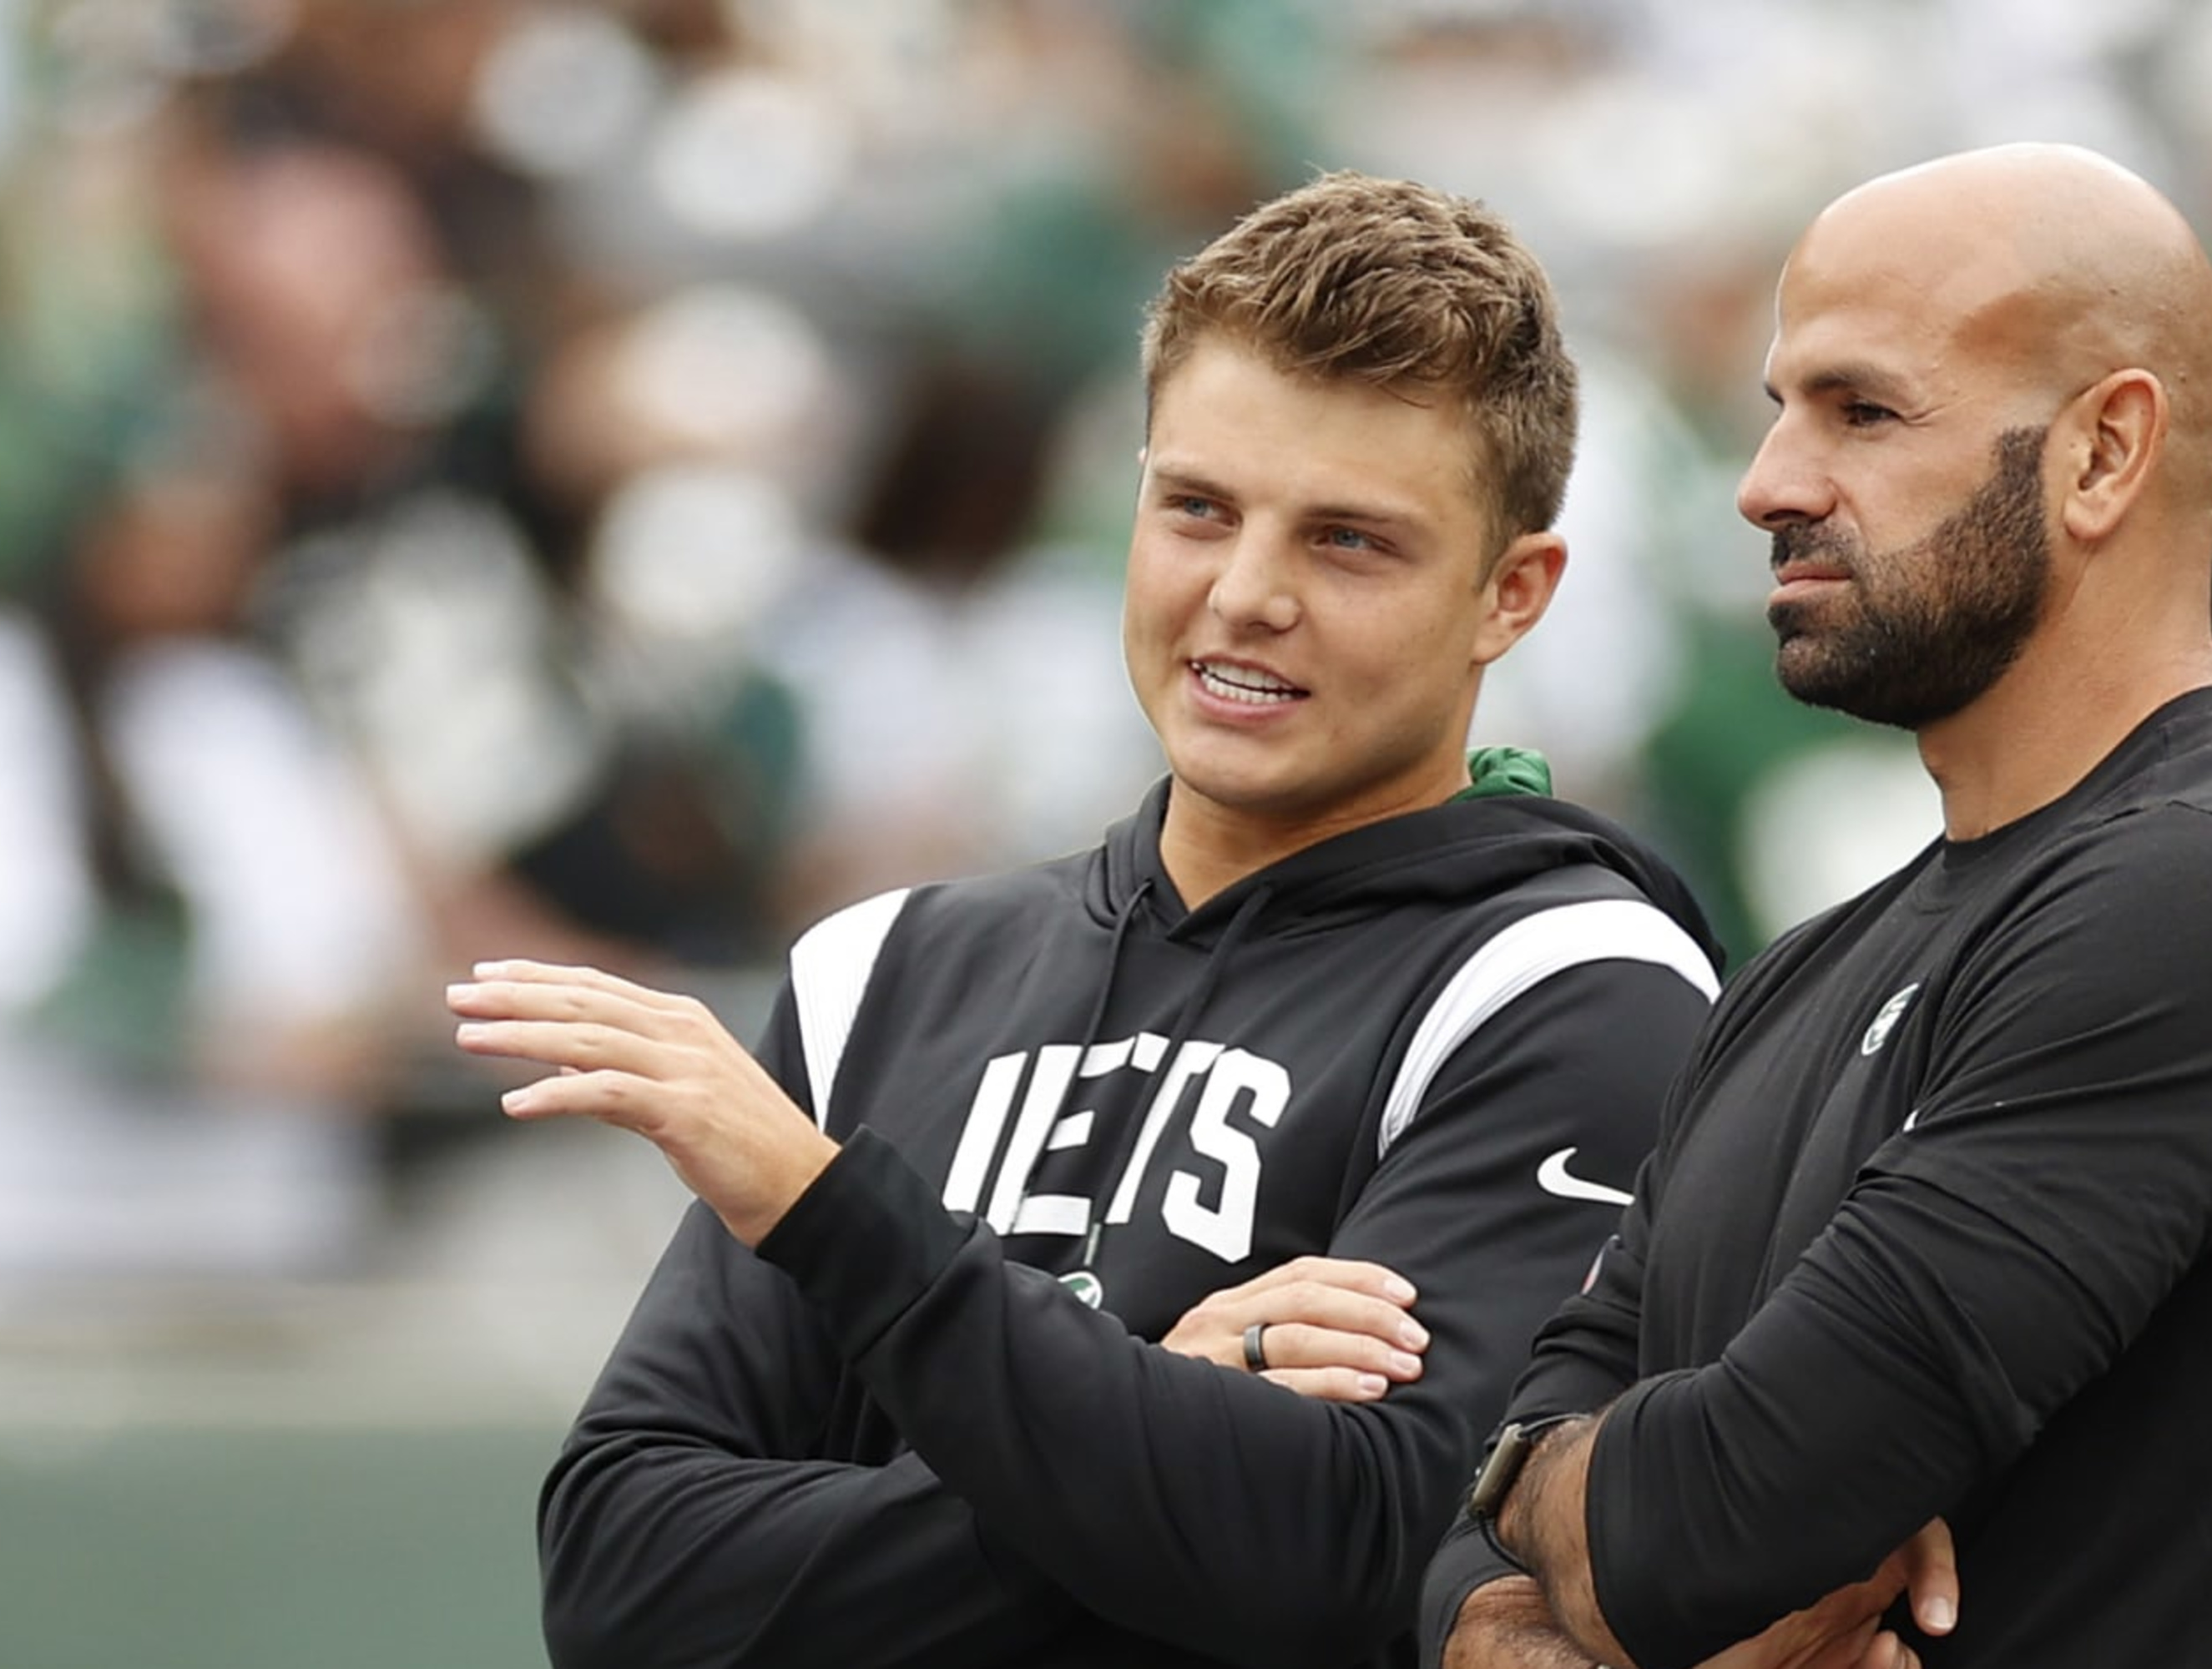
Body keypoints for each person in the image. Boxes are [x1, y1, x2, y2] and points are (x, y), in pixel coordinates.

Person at [445, 171, 1720, 1668]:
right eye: (1198, 507)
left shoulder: (1574, 983)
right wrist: (1139, 1404)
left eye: (1348, 542)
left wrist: (839, 1218)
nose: (1246, 594)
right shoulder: (882, 971)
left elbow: (1358, 1558)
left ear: (1513, 595)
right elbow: (626, 1591)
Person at [1426, 144, 2212, 1669]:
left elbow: (1711, 1524)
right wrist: (1548, 1564)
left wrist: (1598, 1509)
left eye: (1862, 411)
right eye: (1776, 409)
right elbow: (1471, 1537)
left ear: (2103, 453)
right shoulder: (1804, 970)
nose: (1768, 482)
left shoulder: (2206, 901)